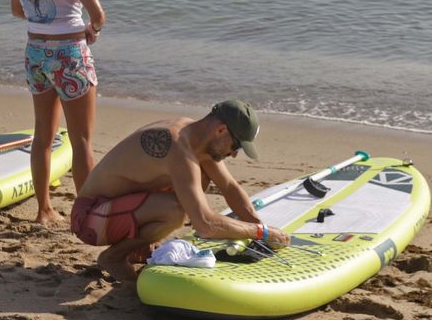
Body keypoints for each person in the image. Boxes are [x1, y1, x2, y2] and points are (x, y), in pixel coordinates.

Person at [71, 100, 290, 281]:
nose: (234, 154)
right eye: (236, 146)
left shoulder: (195, 135)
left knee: (201, 175)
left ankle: (136, 248)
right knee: (176, 210)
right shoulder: (178, 148)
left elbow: (229, 187)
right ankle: (114, 257)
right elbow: (205, 225)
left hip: (115, 210)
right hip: (90, 219)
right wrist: (262, 233)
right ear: (221, 129)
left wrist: (258, 227)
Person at [8, 0, 106, 225]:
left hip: (35, 52)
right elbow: (98, 15)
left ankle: (44, 210)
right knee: (81, 142)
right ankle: (84, 217)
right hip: (69, 55)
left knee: (43, 137)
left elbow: (16, 10)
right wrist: (93, 29)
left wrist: (44, 18)